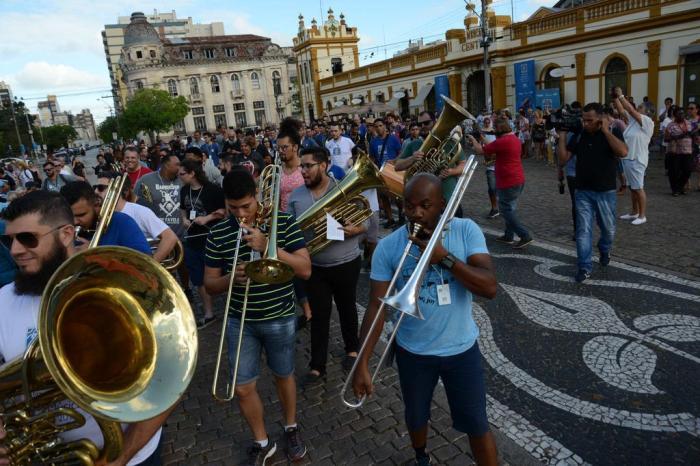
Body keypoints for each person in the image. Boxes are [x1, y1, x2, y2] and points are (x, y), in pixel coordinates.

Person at [0, 190, 169, 465]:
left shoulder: (116, 286)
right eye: (8, 240)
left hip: (135, 456)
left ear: (66, 234)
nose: (16, 250)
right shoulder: (2, 302)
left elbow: (166, 385)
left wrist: (121, 456)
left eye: (28, 238)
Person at [353, 173, 498, 466]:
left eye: (425, 205)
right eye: (409, 206)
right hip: (413, 351)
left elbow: (489, 287)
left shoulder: (465, 231)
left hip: (461, 351)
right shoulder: (389, 247)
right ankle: (421, 456)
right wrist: (362, 363)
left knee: (477, 424)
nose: (416, 212)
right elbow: (376, 307)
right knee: (416, 414)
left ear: (442, 205)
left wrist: (443, 257)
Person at [203, 169, 311, 465]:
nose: (240, 215)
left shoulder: (283, 221)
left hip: (279, 316)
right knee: (242, 387)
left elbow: (305, 269)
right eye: (233, 207)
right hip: (240, 319)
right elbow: (210, 285)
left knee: (283, 375)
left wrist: (268, 247)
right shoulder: (218, 233)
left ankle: (291, 427)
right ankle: (262, 442)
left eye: (247, 207)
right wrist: (229, 280)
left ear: (258, 197)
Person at [287, 146, 365, 385]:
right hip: (316, 265)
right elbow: (290, 231)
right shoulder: (296, 196)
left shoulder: (343, 188)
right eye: (301, 166)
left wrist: (356, 229)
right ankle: (317, 365)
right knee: (319, 315)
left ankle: (352, 349)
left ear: (324, 165)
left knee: (347, 308)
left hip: (346, 261)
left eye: (308, 166)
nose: (303, 171)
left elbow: (365, 223)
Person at [557, 102, 628, 283]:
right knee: (583, 231)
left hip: (605, 192)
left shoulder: (612, 131)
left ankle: (604, 248)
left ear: (600, 119)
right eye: (583, 119)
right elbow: (563, 160)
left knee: (608, 230)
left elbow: (623, 152)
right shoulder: (580, 134)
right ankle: (584, 267)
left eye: (590, 120)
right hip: (583, 191)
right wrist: (563, 137)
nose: (585, 123)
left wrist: (605, 131)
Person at [468, 117, 533, 249]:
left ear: (499, 129)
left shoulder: (503, 141)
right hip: (517, 179)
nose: (493, 131)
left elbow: (480, 150)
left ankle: (524, 235)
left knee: (505, 210)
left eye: (495, 129)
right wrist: (482, 136)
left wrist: (473, 140)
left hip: (508, 181)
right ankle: (508, 236)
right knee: (510, 208)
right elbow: (491, 147)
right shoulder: (513, 139)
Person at [179, 159, 225, 327]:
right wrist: (184, 219)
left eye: (182, 174)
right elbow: (182, 208)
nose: (180, 177)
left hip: (211, 238)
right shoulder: (184, 190)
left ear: (192, 173)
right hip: (192, 239)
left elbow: (225, 211)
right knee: (198, 278)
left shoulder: (213, 190)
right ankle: (209, 312)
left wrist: (207, 218)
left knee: (218, 273)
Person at [395, 111, 466, 218]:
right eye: (419, 124)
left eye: (426, 123)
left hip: (449, 199)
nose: (422, 126)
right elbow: (397, 166)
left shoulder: (450, 142)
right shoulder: (414, 144)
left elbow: (463, 164)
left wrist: (452, 171)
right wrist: (412, 158)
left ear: (435, 122)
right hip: (423, 204)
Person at [95, 175, 179, 263]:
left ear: (116, 189)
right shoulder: (100, 214)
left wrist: (151, 267)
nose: (96, 191)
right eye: (95, 187)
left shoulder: (139, 211)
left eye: (101, 188)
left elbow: (170, 237)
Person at [60, 181, 151, 254]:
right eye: (69, 216)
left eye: (81, 215)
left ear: (96, 203)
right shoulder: (65, 228)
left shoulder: (121, 221)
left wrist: (97, 251)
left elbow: (143, 260)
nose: (75, 222)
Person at [612, 89, 654, 225]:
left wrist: (621, 95)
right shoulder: (634, 122)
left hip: (637, 159)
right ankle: (634, 212)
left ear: (647, 111)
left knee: (638, 187)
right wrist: (615, 98)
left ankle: (642, 215)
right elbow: (621, 110)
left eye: (641, 107)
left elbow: (629, 109)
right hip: (628, 158)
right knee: (632, 187)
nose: (638, 108)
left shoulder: (647, 121)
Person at [664, 106, 694, 196]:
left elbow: (693, 134)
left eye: (683, 113)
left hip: (687, 151)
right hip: (675, 152)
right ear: (675, 115)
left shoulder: (689, 123)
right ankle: (675, 190)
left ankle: (680, 187)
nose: (682, 115)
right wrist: (677, 137)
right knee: (674, 172)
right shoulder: (670, 125)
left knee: (687, 171)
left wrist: (693, 135)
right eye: (679, 113)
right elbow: (666, 139)